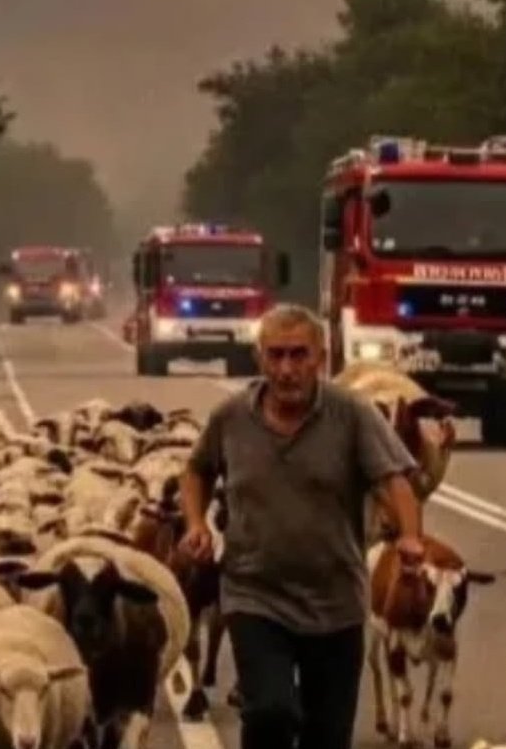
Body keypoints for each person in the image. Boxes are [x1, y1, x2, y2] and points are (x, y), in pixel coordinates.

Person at [178, 303, 424, 749]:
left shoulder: (352, 415)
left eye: (298, 355)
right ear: (259, 359)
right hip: (255, 595)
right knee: (270, 712)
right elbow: (196, 470)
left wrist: (409, 535)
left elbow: (394, 480)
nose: (287, 369)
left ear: (321, 358)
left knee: (326, 736)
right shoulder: (231, 418)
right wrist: (196, 524)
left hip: (335, 602)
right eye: (275, 355)